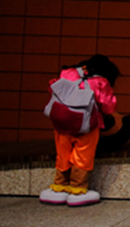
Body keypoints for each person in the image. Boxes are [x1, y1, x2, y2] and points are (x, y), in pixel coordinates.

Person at [39, 54, 120, 207]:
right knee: (83, 156)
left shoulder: (68, 73)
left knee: (62, 154)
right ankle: (77, 189)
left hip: (61, 124)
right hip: (86, 126)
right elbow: (108, 106)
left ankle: (59, 187)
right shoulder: (101, 83)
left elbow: (53, 88)